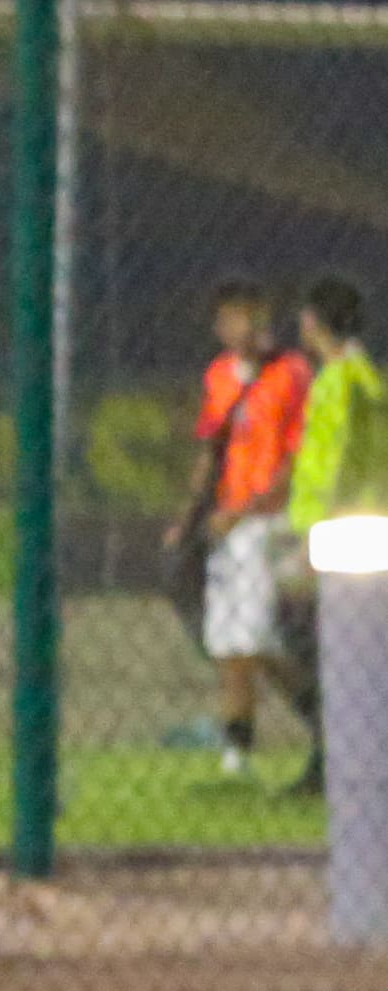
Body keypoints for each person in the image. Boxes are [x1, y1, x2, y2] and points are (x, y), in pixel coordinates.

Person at [176, 281, 311, 779]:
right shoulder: (219, 375)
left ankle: (321, 715)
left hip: (271, 522)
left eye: (253, 316)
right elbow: (210, 449)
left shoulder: (291, 373)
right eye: (234, 318)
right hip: (226, 523)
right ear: (220, 326)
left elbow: (295, 458)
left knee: (255, 639)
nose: (245, 327)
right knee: (229, 644)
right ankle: (237, 754)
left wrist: (247, 510)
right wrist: (188, 517)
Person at [281, 275, 384, 799]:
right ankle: (334, 753)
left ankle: (330, 758)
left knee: (323, 647)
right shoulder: (359, 376)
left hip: (340, 532)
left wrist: (317, 537)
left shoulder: (340, 381)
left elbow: (339, 460)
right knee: (337, 648)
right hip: (350, 526)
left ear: (314, 321)